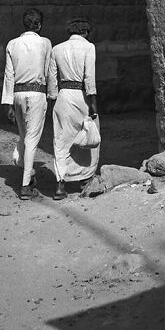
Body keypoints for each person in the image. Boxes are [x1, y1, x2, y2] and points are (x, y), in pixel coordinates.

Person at [1, 8, 52, 200]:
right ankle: (25, 185)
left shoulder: (12, 44)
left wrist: (7, 103)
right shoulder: (45, 43)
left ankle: (27, 172)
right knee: (31, 139)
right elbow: (49, 71)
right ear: (39, 25)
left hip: (18, 94)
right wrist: (53, 95)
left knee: (24, 136)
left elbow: (9, 75)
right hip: (37, 93)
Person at [47, 18, 98, 200]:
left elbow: (52, 79)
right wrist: (92, 102)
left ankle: (60, 185)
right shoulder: (89, 47)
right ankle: (85, 178)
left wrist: (53, 101)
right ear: (85, 32)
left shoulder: (56, 49)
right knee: (85, 136)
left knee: (60, 141)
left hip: (63, 96)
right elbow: (89, 78)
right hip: (81, 96)